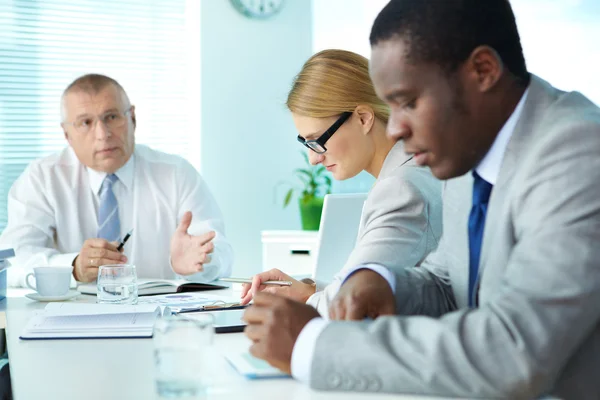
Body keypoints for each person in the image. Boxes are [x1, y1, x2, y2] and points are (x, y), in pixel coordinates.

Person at [242, 0, 600, 398]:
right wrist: (384, 281)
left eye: (408, 102)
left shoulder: (579, 153)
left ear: (483, 71)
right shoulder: (470, 152)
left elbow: (514, 349)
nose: (393, 128)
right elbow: (450, 284)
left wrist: (314, 345)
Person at [239, 49, 443, 316]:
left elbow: (351, 304)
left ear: (363, 118)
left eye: (317, 140)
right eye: (305, 143)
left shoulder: (401, 189)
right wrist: (310, 293)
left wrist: (304, 304)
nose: (313, 158)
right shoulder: (412, 172)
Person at [0, 74, 233, 286]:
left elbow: (222, 254)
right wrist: (73, 267)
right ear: (67, 135)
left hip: (161, 315)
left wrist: (200, 262)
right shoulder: (42, 178)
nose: (103, 134)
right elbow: (11, 260)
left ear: (132, 118)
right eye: (85, 123)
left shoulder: (176, 173)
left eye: (111, 117)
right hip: (72, 316)